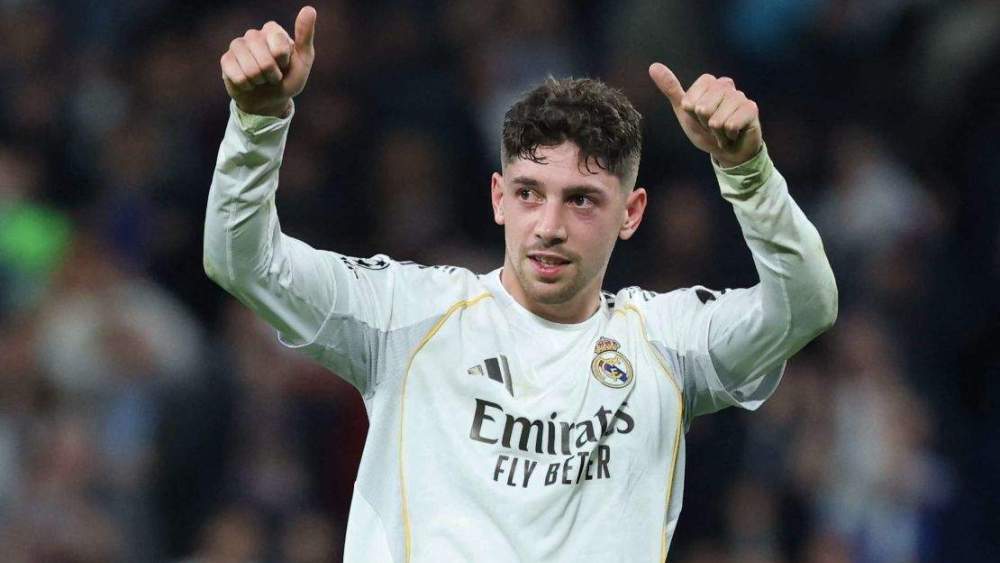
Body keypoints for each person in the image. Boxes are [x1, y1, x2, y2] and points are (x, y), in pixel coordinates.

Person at [204, 6, 837, 562]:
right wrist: (258, 123)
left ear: (633, 214)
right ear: (499, 198)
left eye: (583, 201)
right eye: (531, 194)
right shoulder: (407, 314)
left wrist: (748, 174)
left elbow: (806, 305)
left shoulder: (668, 342)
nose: (550, 227)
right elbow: (242, 263)